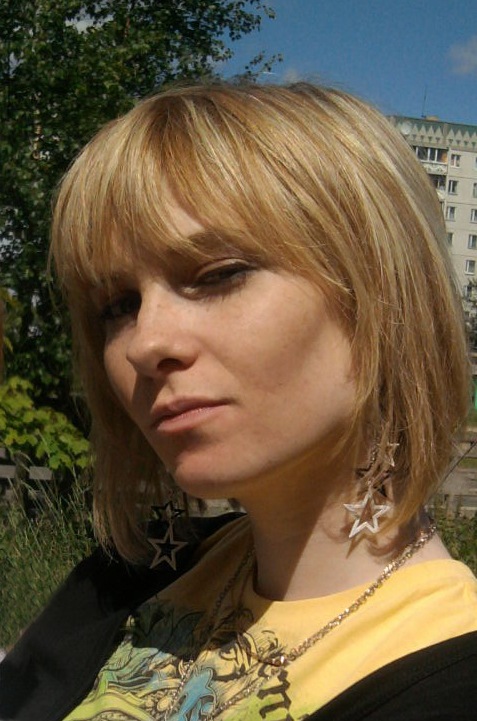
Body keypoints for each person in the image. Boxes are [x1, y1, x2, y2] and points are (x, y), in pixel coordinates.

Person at [1, 81, 476, 721]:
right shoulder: (134, 575)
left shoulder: (449, 680)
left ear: (380, 292)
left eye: (217, 274)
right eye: (118, 305)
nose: (145, 342)